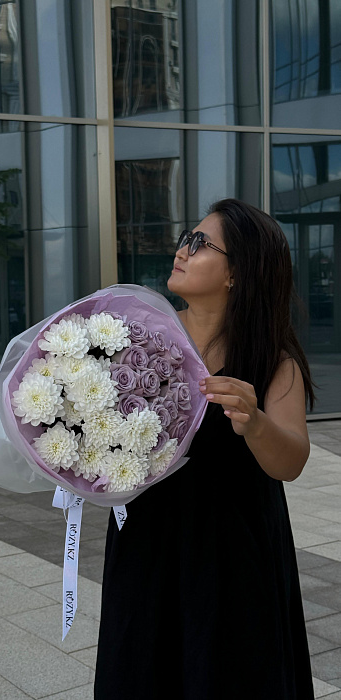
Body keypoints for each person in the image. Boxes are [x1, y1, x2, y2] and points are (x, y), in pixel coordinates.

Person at [94, 198, 317, 699]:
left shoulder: (271, 361)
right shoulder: (138, 335)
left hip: (232, 553)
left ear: (237, 273)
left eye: (200, 244)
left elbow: (291, 461)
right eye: (186, 238)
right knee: (142, 667)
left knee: (227, 672)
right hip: (146, 543)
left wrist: (254, 421)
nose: (182, 249)